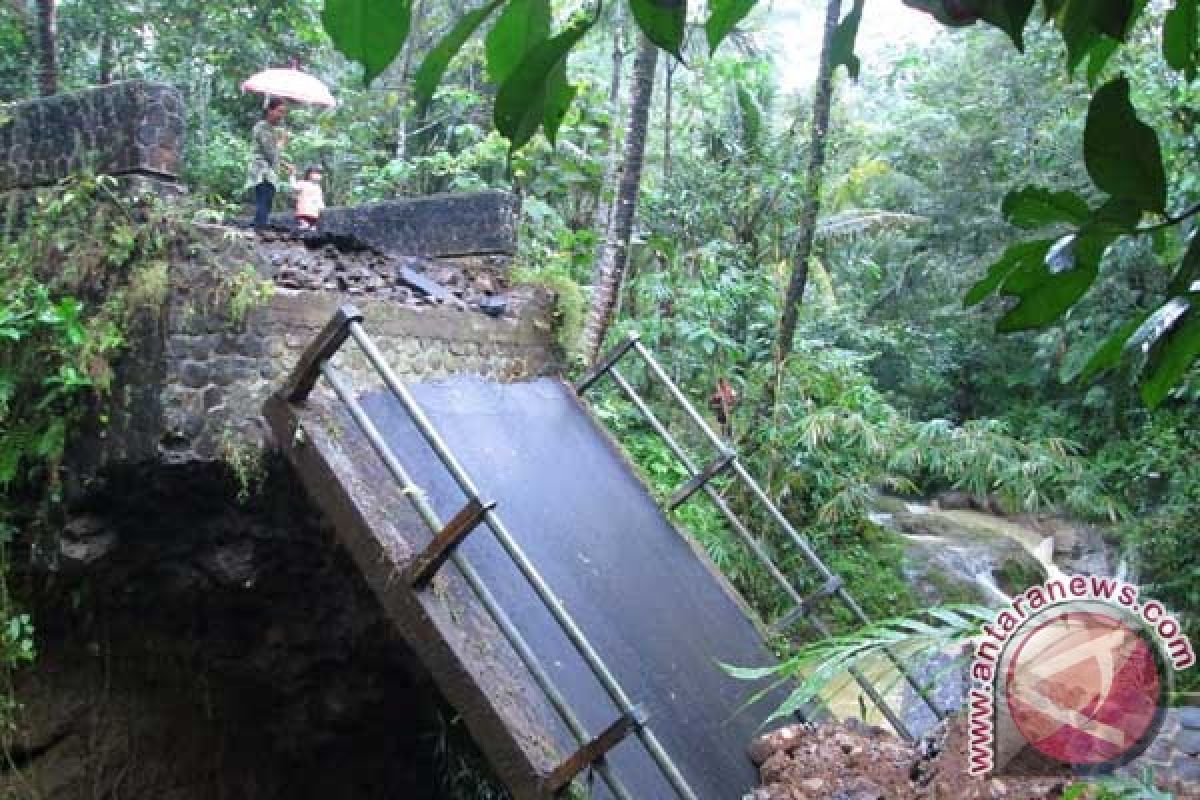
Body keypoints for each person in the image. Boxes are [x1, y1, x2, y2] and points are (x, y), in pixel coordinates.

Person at [247, 97, 289, 228]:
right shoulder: (262, 127)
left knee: (267, 200)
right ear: (270, 110)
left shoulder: (270, 129)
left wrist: (283, 164)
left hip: (268, 171)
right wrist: (282, 142)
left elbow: (272, 154)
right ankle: (259, 228)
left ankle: (259, 226)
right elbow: (270, 153)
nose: (281, 116)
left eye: (283, 112)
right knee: (264, 200)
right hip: (262, 171)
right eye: (279, 111)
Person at [287, 164, 325, 230]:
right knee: (303, 219)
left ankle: (312, 226)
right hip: (304, 208)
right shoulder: (303, 183)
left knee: (313, 222)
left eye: (319, 174)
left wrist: (322, 207)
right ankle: (305, 224)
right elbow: (294, 187)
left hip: (315, 210)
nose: (318, 175)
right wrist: (292, 176)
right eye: (316, 173)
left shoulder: (318, 187)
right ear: (309, 174)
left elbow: (320, 199)